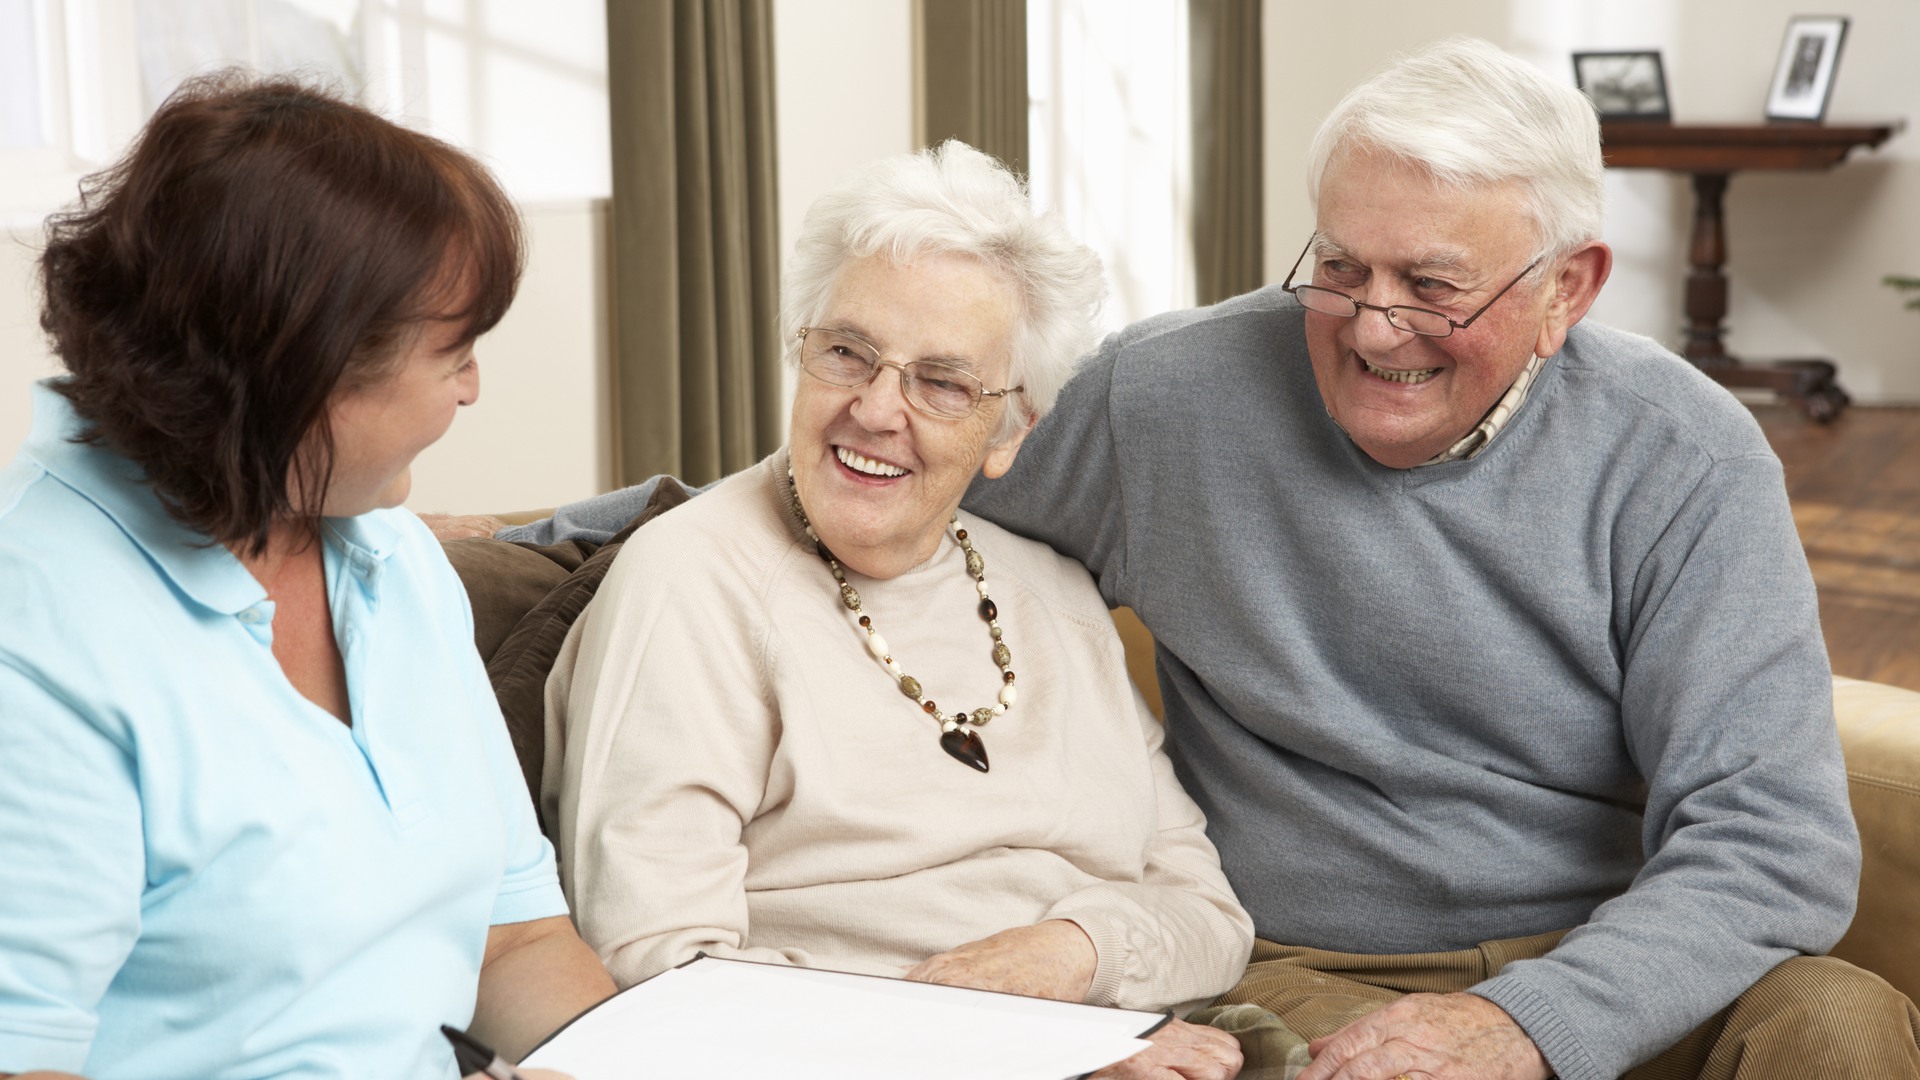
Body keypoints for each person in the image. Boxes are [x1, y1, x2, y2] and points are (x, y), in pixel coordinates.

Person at [485, 38, 1920, 1080]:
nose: (1371, 326)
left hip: (1614, 949)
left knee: (1842, 1027)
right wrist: (573, 535)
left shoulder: (1684, 454)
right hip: (1301, 960)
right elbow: (912, 469)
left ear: (1568, 291)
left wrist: (1523, 1030)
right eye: (1341, 266)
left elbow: (1774, 848)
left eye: (1435, 286)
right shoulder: (1166, 394)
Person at [539, 141, 1253, 1079]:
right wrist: (999, 1049)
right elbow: (658, 967)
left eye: (943, 382)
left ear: (1010, 431)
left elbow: (1210, 918)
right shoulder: (690, 582)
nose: (876, 410)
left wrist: (1073, 959)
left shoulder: (1059, 598)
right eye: (848, 353)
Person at [0, 74, 613, 1080]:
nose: (471, 387)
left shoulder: (395, 561)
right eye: (451, 351)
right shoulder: (37, 630)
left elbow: (514, 940)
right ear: (304, 371)